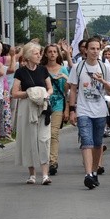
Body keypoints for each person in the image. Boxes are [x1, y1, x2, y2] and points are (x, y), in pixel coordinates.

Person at [68, 37, 110, 189]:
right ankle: (88, 174)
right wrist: (72, 110)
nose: (95, 51)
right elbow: (73, 89)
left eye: (97, 49)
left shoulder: (105, 67)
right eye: (92, 48)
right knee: (86, 142)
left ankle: (94, 171)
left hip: (100, 110)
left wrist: (103, 82)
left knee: (97, 143)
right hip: (83, 109)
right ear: (86, 50)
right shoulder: (78, 67)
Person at [12, 43, 53, 185]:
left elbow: (50, 88)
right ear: (29, 56)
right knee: (29, 139)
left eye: (40, 53)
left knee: (44, 139)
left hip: (42, 108)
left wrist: (44, 95)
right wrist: (29, 93)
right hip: (27, 108)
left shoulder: (43, 70)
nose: (39, 56)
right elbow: (14, 93)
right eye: (36, 53)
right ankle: (32, 175)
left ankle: (45, 175)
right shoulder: (20, 72)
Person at [43, 44, 69, 176]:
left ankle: (53, 161)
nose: (52, 54)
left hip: (58, 103)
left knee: (53, 133)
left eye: (55, 52)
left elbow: (68, 90)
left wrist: (67, 110)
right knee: (43, 134)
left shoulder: (63, 69)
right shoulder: (42, 70)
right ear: (46, 54)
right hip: (44, 105)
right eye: (50, 51)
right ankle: (44, 159)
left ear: (58, 54)